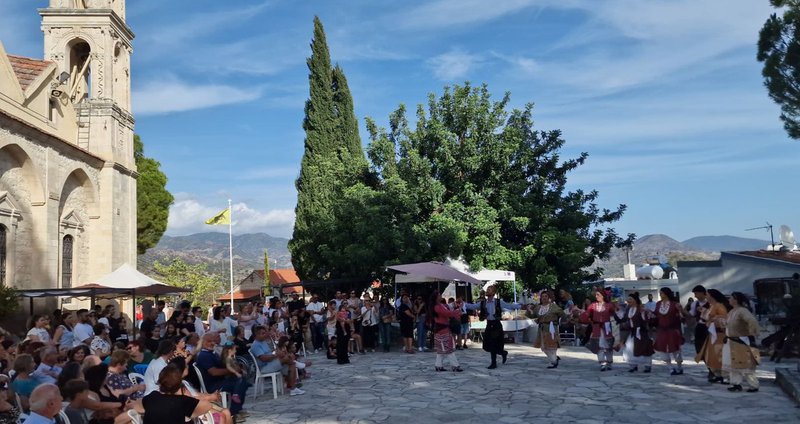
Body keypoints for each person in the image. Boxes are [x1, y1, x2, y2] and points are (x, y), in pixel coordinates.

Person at [465, 285, 521, 369]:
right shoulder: (483, 302)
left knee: (494, 344)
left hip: (496, 324)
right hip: (489, 324)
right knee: (486, 345)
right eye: (487, 289)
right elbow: (473, 306)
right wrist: (463, 304)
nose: (487, 291)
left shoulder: (498, 302)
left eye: (489, 290)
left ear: (494, 292)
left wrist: (521, 306)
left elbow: (509, 306)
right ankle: (503, 353)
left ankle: (493, 363)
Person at [194, 333, 249, 418]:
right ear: (202, 342)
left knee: (241, 380)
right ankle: (234, 413)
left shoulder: (212, 353)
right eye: (208, 341)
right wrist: (233, 371)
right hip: (213, 386)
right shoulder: (204, 355)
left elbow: (223, 365)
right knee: (240, 382)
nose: (212, 343)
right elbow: (214, 372)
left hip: (220, 381)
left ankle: (236, 410)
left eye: (213, 341)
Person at [141, 363, 216, 424]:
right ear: (178, 386)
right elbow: (208, 405)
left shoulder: (151, 397)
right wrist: (190, 414)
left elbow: (138, 407)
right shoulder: (182, 401)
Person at [250, 326, 304, 395]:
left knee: (291, 365)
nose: (265, 335)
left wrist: (277, 353)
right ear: (257, 334)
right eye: (263, 333)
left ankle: (293, 389)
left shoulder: (263, 342)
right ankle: (296, 363)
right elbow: (263, 358)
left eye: (265, 333)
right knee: (286, 358)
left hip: (272, 362)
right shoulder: (256, 345)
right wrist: (275, 355)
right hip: (265, 367)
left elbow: (271, 352)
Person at [724, 292, 761, 392]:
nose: (729, 300)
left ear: (736, 300)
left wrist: (752, 332)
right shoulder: (732, 311)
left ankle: (753, 385)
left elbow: (751, 320)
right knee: (734, 364)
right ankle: (736, 383)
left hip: (741, 341)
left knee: (746, 364)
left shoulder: (743, 311)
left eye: (731, 298)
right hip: (732, 341)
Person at [695, 289, 731, 383]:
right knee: (713, 355)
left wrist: (714, 318)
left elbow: (724, 319)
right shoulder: (712, 306)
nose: (706, 296)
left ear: (712, 296)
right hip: (712, 333)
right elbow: (707, 317)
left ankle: (725, 375)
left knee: (720, 354)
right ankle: (717, 374)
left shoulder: (719, 306)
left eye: (707, 295)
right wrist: (704, 312)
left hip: (719, 334)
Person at [525, 291, 566, 369]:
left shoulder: (553, 306)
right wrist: (529, 310)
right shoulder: (538, 307)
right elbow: (532, 315)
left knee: (552, 345)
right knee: (543, 347)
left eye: (546, 296)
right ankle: (555, 358)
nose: (544, 298)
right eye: (542, 296)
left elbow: (562, 314)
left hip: (551, 328)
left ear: (549, 297)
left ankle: (554, 361)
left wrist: (558, 322)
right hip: (542, 328)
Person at [428, 291, 463, 372]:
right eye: (439, 295)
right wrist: (459, 310)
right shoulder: (437, 307)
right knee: (448, 348)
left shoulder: (439, 305)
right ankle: (455, 366)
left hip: (440, 330)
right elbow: (447, 313)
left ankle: (438, 365)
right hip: (443, 330)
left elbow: (448, 306)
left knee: (441, 350)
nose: (441, 296)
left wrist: (456, 302)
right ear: (436, 297)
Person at [653, 287, 685, 375]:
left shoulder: (674, 304)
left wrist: (680, 310)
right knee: (662, 348)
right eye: (660, 293)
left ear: (666, 294)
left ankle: (679, 367)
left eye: (661, 293)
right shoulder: (658, 304)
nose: (660, 294)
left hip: (672, 329)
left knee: (675, 348)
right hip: (661, 330)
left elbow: (682, 316)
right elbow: (655, 314)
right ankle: (670, 367)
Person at [582, 290, 616, 371]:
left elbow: (615, 315)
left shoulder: (609, 305)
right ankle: (602, 363)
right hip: (596, 327)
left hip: (607, 328)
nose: (596, 296)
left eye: (598, 295)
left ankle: (609, 362)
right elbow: (586, 315)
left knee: (608, 345)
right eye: (596, 295)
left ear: (603, 296)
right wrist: (585, 319)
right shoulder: (593, 306)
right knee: (599, 345)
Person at [622, 293, 654, 373]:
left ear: (635, 300)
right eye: (628, 299)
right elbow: (625, 319)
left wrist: (644, 313)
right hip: (633, 332)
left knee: (644, 348)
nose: (628, 300)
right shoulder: (628, 309)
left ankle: (647, 365)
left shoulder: (641, 308)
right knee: (630, 348)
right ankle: (633, 365)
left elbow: (647, 319)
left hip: (641, 332)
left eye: (630, 299)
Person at [690, 285, 710, 357]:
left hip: (709, 326)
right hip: (700, 326)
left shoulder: (710, 302)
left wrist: (704, 311)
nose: (695, 296)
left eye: (696, 294)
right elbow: (692, 314)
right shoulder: (695, 304)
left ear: (701, 293)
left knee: (709, 344)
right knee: (699, 345)